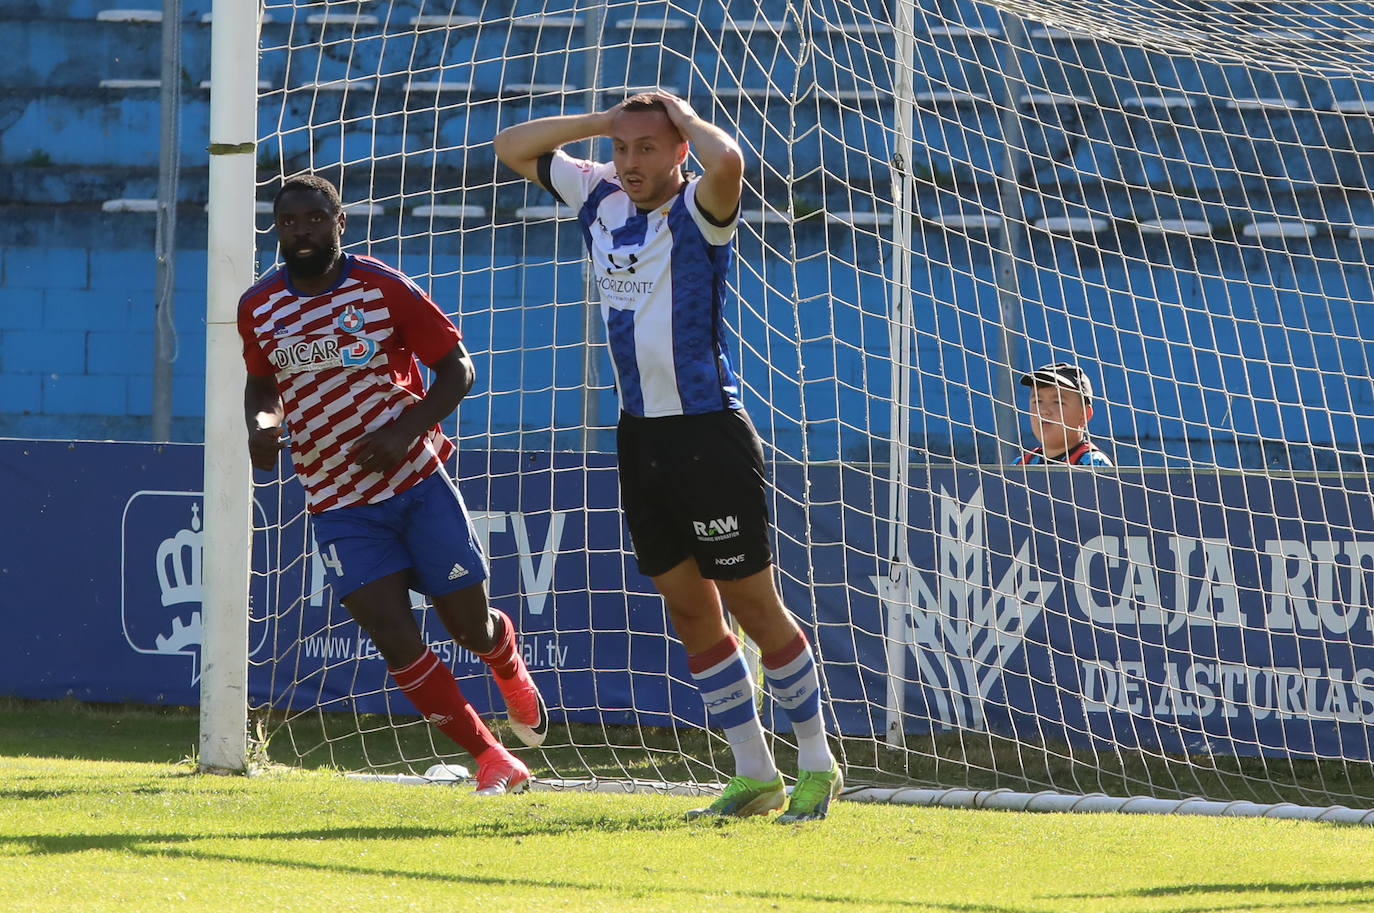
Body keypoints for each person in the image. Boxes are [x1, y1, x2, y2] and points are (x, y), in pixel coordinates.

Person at [493, 92, 842, 822]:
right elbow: (511, 146)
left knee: (752, 600)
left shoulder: (702, 208)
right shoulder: (599, 194)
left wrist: (678, 116)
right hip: (639, 436)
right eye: (624, 150)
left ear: (678, 149)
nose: (631, 163)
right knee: (688, 608)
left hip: (708, 432)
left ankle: (816, 759)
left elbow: (732, 160)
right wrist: (603, 124)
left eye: (647, 149)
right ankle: (754, 773)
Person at [237, 173, 548, 795]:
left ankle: (504, 657)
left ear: (339, 222)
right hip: (336, 500)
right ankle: (493, 759)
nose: (301, 232)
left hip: (417, 482)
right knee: (392, 634)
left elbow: (458, 370)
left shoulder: (383, 289)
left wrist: (404, 431)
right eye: (289, 222)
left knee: (467, 628)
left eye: (314, 219)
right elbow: (263, 384)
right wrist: (262, 425)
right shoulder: (258, 305)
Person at [1013, 361, 1114, 466]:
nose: (1044, 411)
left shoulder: (1093, 464)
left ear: (1084, 414)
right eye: (1037, 401)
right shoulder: (1020, 465)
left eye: (1058, 402)